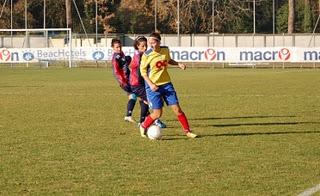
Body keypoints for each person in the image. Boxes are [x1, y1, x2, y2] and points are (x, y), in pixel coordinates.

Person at [139, 32, 198, 138]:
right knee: (157, 114)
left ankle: (187, 131)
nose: (152, 45)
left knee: (177, 109)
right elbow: (143, 73)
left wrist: (178, 64)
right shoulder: (147, 54)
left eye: (154, 42)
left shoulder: (165, 50)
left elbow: (168, 60)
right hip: (153, 86)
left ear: (159, 42)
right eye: (150, 43)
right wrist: (151, 84)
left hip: (166, 84)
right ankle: (143, 125)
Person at [129, 35, 166, 128]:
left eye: (146, 45)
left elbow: (131, 66)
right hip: (137, 84)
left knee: (144, 101)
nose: (145, 48)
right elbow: (140, 71)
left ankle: (143, 121)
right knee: (149, 101)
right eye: (142, 46)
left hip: (138, 83)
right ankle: (152, 121)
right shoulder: (139, 56)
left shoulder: (140, 54)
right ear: (137, 46)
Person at [111, 38, 136, 123]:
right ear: (113, 48)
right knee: (135, 95)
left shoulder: (121, 54)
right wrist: (122, 82)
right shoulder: (115, 57)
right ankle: (129, 115)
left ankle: (129, 115)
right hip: (125, 81)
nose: (119, 49)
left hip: (129, 78)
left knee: (134, 96)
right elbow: (116, 71)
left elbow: (124, 65)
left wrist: (127, 59)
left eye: (120, 47)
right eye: (117, 47)